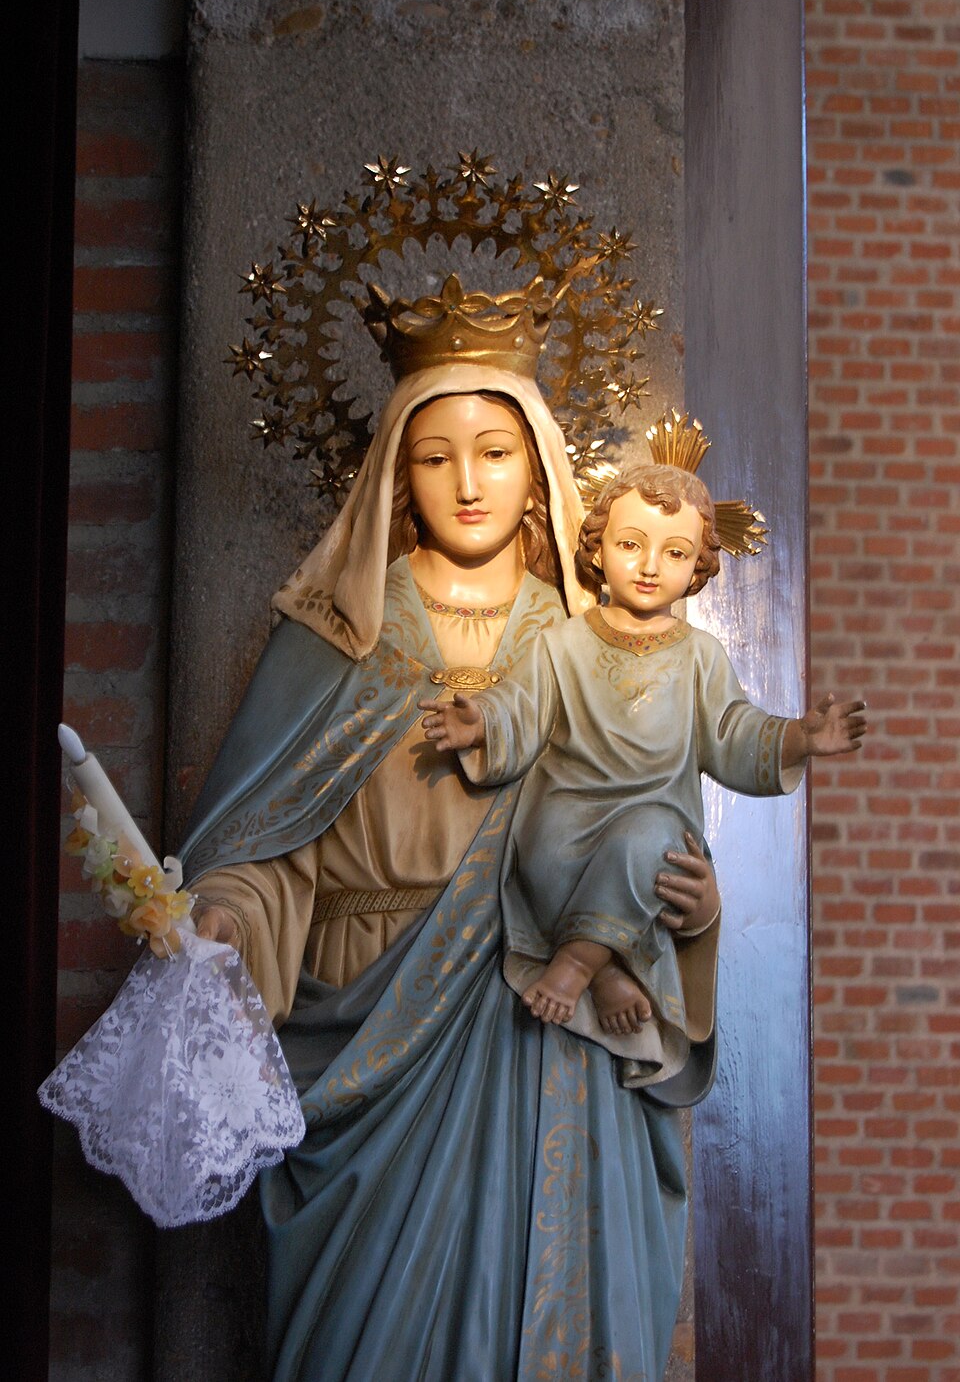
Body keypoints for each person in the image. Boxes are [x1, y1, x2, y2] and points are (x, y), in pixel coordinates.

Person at [176, 328, 725, 1379]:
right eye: (436, 456)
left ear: (538, 470)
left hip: (547, 1023)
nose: (468, 483)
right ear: (397, 472)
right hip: (370, 1018)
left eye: (495, 452)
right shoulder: (335, 636)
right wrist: (227, 915)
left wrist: (692, 917)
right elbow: (264, 842)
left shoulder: (598, 642)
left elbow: (652, 833)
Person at [421, 463, 866, 1086]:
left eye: (675, 552)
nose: (650, 565)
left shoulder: (699, 656)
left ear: (698, 566)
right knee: (564, 849)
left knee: (657, 837)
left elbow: (735, 733)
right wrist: (481, 725)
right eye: (631, 543)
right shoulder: (562, 644)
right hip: (559, 831)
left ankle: (580, 967)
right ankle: (604, 966)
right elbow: (520, 708)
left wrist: (798, 737)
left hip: (647, 849)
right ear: (597, 548)